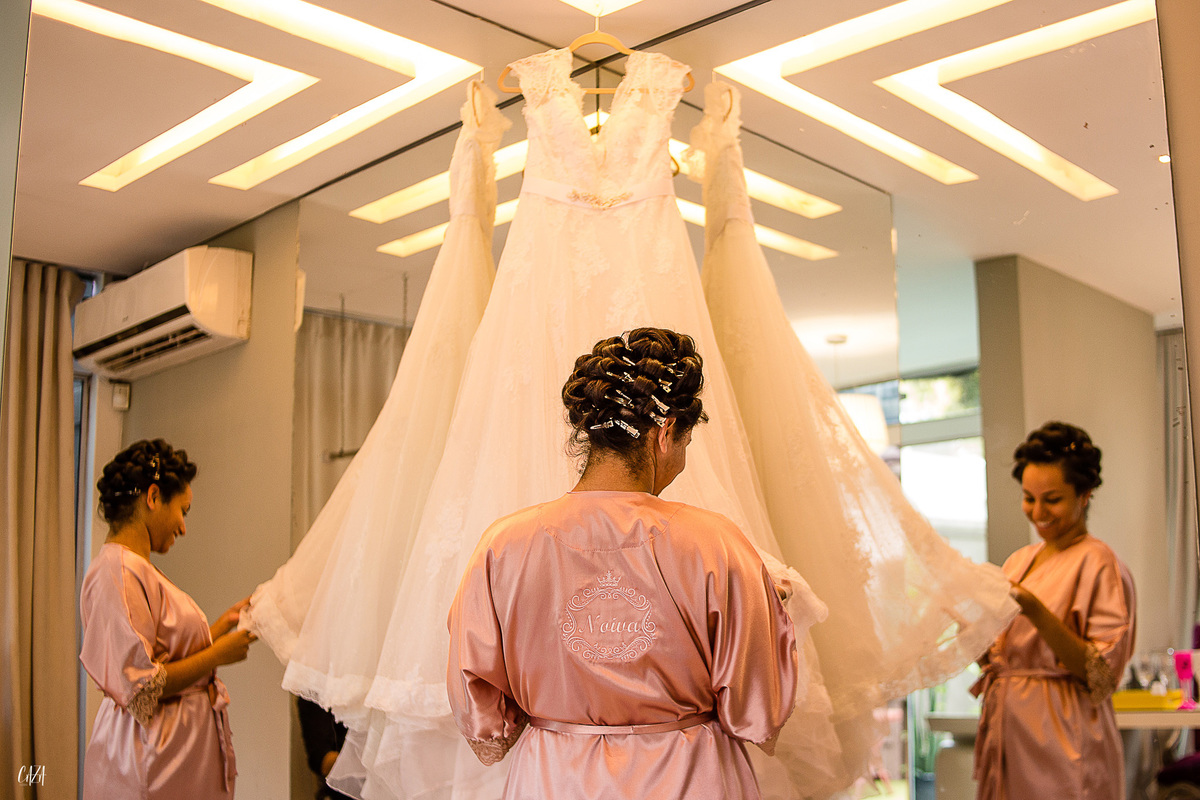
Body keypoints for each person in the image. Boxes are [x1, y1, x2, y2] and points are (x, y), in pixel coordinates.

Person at [446, 328, 802, 800]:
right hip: (688, 776)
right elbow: (757, 705)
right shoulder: (717, 543)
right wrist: (762, 601)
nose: (680, 462)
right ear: (666, 432)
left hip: (553, 778)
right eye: (686, 444)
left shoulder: (503, 544)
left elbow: (477, 695)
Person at [79, 439, 256, 799]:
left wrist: (219, 627)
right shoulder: (118, 571)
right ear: (154, 497)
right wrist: (217, 654)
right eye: (183, 511)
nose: (183, 528)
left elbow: (157, 651)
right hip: (150, 757)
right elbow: (141, 686)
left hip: (177, 752)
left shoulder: (136, 570)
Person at [973, 422, 1136, 800]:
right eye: (1029, 498)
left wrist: (1033, 608)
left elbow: (1099, 674)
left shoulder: (1100, 564)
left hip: (1064, 734)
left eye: (1052, 498)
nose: (1038, 511)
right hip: (1010, 727)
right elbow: (997, 652)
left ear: (1085, 494)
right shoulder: (1018, 561)